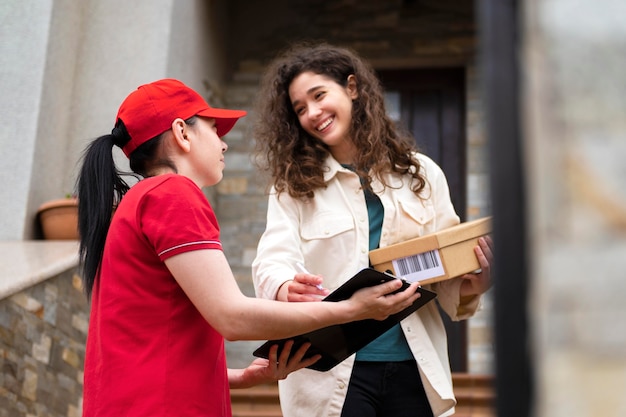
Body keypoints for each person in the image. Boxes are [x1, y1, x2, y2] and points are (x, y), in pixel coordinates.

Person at [75, 78, 423, 417]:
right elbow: (232, 317)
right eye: (213, 129)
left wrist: (242, 378)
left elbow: (148, 350)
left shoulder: (137, 203)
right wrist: (352, 310)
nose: (223, 144)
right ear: (182, 132)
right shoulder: (172, 195)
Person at [251, 43, 494, 417]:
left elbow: (442, 270)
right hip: (333, 371)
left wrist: (474, 281)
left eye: (319, 96)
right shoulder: (292, 186)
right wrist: (283, 284)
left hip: (414, 366)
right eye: (300, 109)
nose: (313, 113)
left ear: (352, 87)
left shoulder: (422, 174)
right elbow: (273, 258)